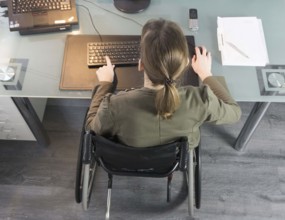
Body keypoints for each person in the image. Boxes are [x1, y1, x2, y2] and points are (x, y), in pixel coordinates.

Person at [85, 18, 241, 149]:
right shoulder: (201, 101)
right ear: (186, 63)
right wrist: (206, 74)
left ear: (141, 65)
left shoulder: (114, 106)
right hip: (176, 158)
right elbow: (234, 113)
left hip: (129, 158)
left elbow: (91, 128)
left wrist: (105, 84)